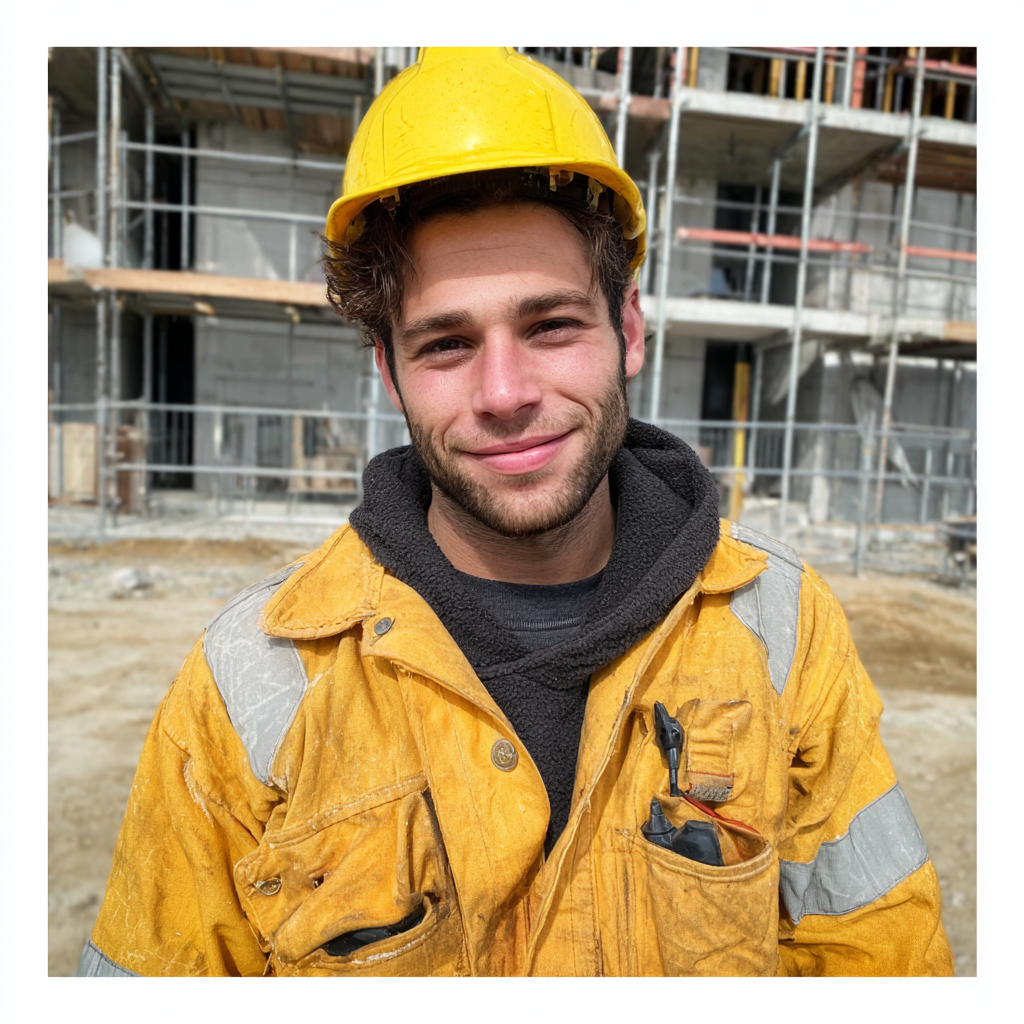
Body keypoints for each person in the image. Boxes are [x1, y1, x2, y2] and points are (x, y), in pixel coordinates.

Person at [79, 47, 953, 978]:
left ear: (631, 329)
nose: (503, 392)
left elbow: (879, 954)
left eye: (550, 325)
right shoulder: (249, 681)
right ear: (389, 371)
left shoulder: (781, 624)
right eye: (447, 343)